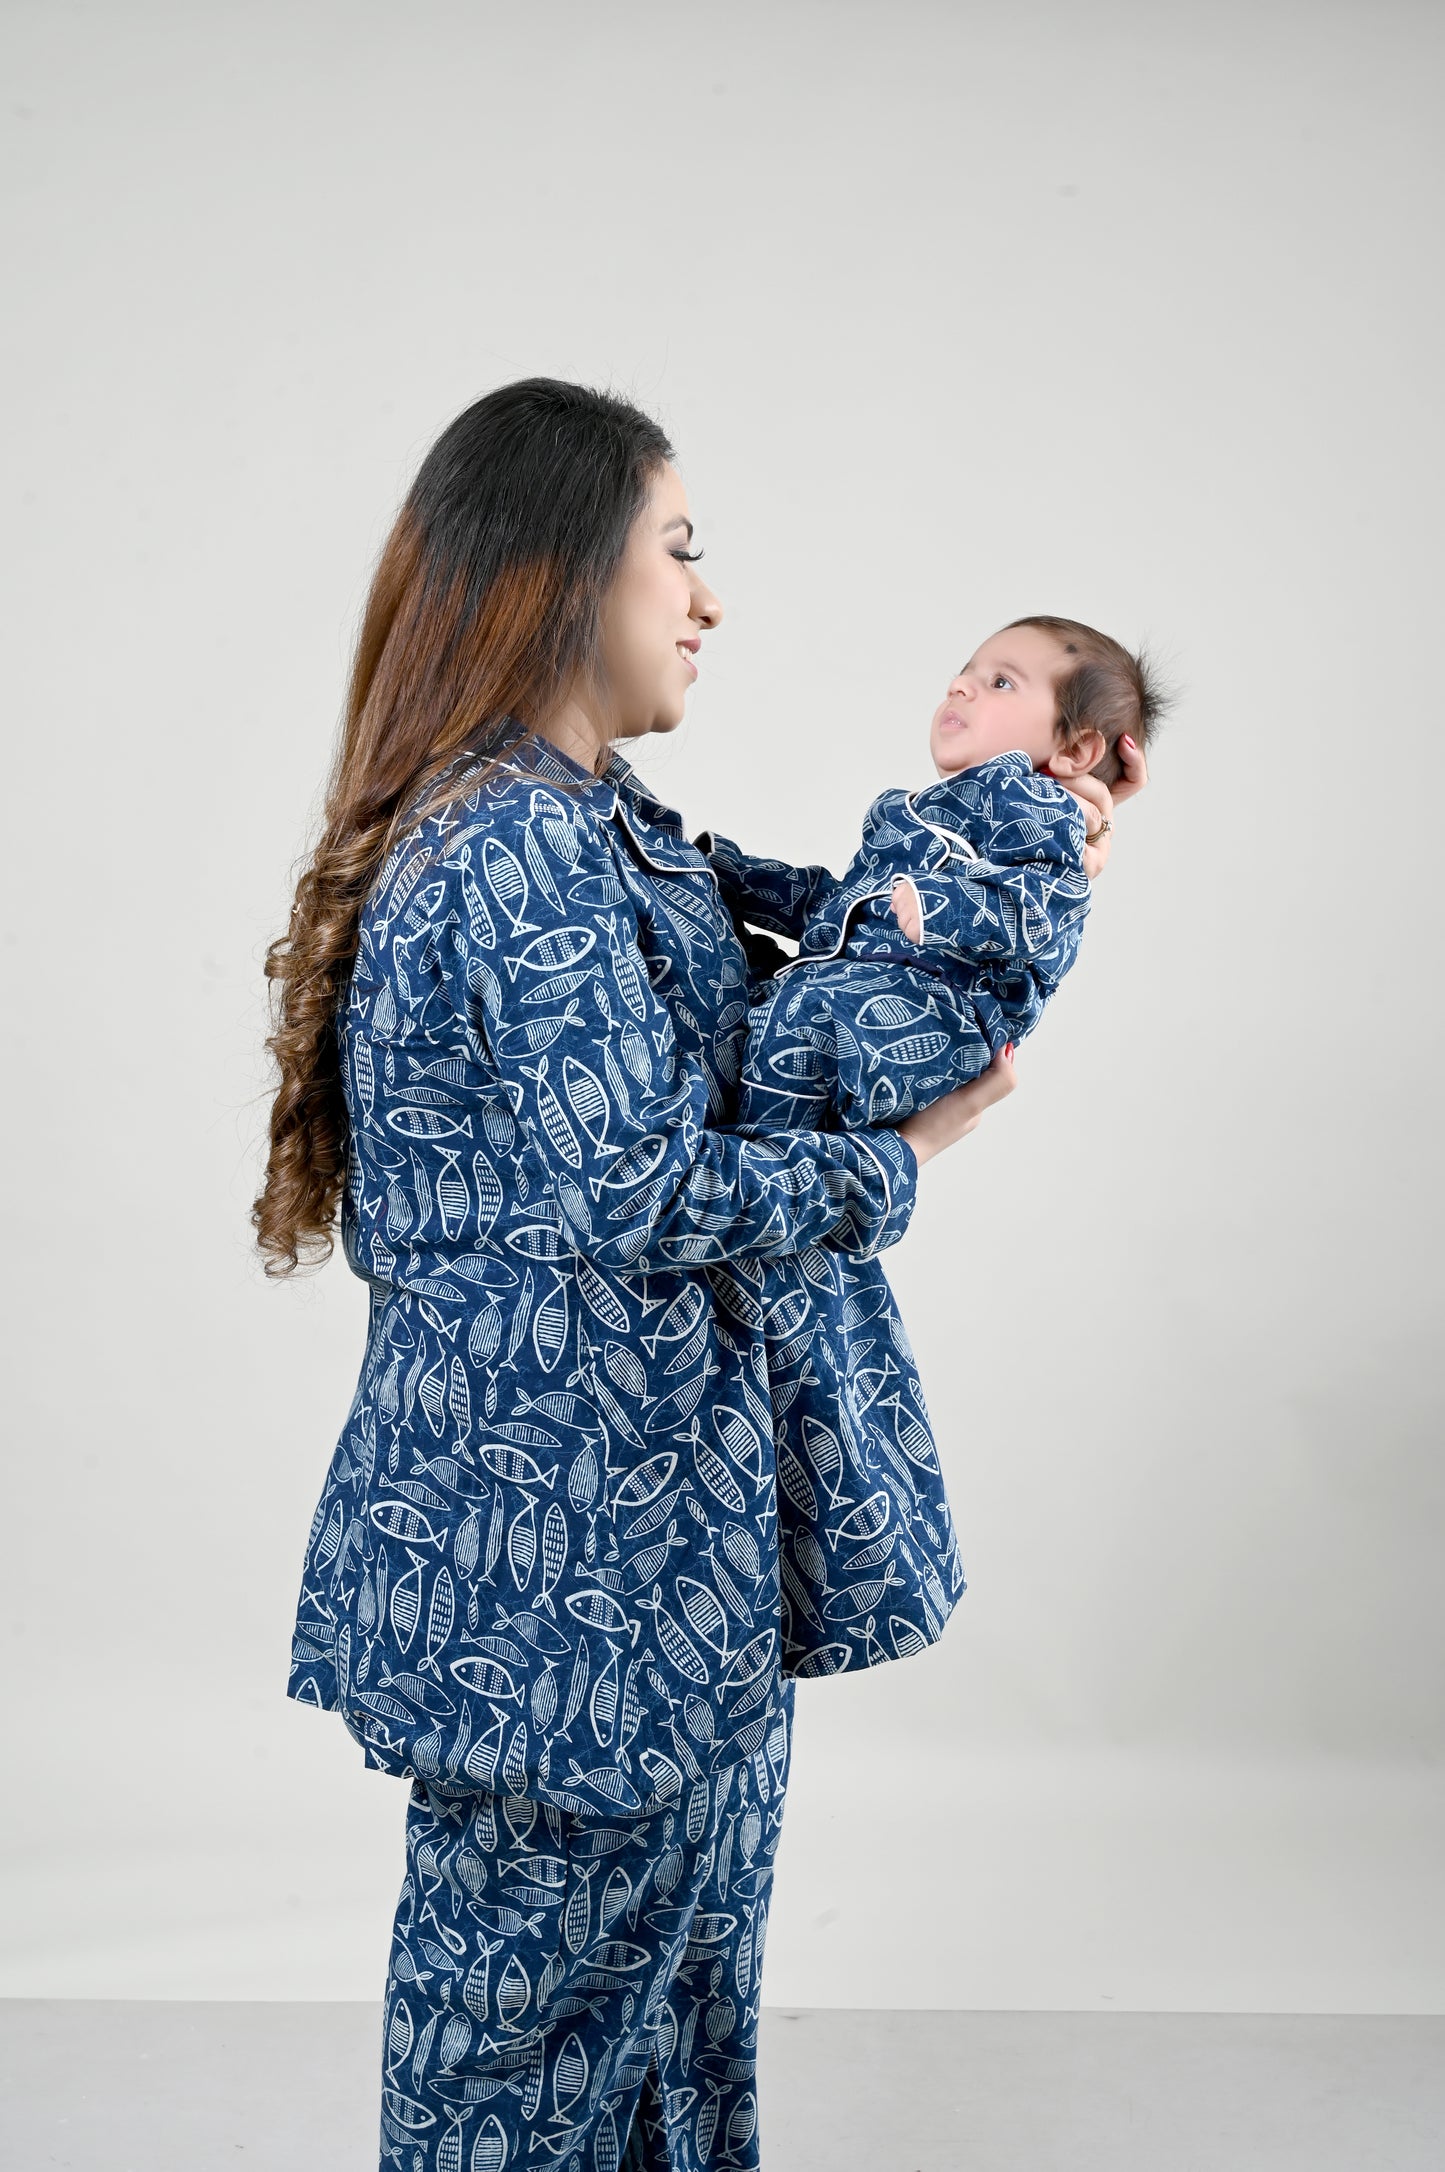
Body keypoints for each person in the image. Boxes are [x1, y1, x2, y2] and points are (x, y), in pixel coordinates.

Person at [253, 377, 1146, 2171]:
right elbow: (640, 1186)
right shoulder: (508, 847)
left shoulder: (596, 825)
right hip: (563, 1603)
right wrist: (902, 1160)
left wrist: (996, 875)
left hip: (663, 1587)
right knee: (521, 2086)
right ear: (563, 565)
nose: (709, 601)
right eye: (681, 549)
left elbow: (775, 1007)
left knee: (666, 2061)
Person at [700, 616, 1166, 1134]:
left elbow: (1044, 908)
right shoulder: (924, 813)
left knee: (803, 1023)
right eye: (965, 672)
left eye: (1001, 682)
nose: (958, 686)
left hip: (940, 1009)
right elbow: (844, 908)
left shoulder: (1040, 812)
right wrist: (734, 874)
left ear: (1075, 750)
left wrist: (941, 906)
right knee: (753, 998)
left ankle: (754, 1166)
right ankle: (746, 1149)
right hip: (847, 983)